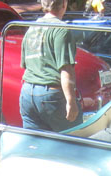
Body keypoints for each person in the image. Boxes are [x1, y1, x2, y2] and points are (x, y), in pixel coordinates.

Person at [19, 0, 82, 132]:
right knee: (74, 138)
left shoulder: (31, 28)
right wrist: (71, 102)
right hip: (50, 95)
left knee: (34, 144)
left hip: (27, 92)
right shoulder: (61, 30)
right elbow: (66, 70)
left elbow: (25, 65)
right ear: (64, 4)